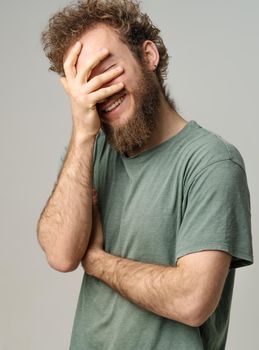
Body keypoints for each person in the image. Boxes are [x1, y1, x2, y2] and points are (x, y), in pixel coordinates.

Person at [37, 0, 254, 349]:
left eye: (106, 68)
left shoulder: (211, 162)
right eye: (85, 80)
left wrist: (96, 261)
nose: (100, 90)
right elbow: (61, 254)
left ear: (148, 56)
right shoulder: (90, 149)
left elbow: (192, 301)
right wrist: (81, 135)